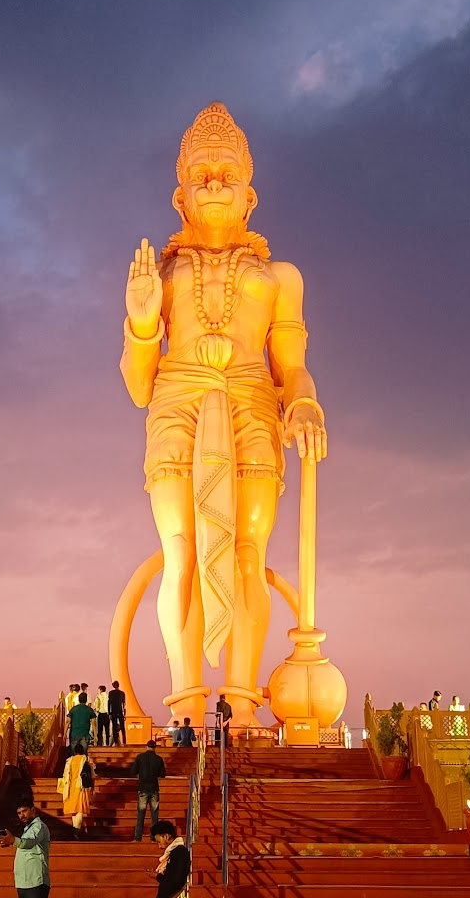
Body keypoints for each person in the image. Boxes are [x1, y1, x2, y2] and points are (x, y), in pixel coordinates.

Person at [120, 103, 327, 730]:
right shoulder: (159, 270)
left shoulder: (280, 277)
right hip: (177, 403)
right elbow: (137, 386)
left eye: (226, 173)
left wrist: (306, 400)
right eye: (202, 173)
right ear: (179, 192)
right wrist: (142, 322)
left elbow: (290, 366)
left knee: (246, 551)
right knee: (180, 550)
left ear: (250, 193)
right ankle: (186, 701)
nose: (213, 183)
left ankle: (239, 702)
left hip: (252, 406)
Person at [132, 737, 166, 841]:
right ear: (155, 748)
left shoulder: (140, 757)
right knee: (154, 815)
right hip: (154, 788)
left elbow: (133, 771)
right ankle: (153, 837)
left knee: (141, 813)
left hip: (143, 788)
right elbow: (162, 774)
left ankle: (138, 837)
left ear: (146, 747)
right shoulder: (158, 759)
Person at [58, 741, 93, 835]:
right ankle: (76, 830)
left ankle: (75, 828)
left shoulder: (70, 760)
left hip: (70, 787)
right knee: (80, 809)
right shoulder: (86, 759)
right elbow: (92, 772)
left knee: (74, 810)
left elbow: (65, 774)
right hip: (81, 787)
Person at [108, 680, 127, 745]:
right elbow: (124, 704)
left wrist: (109, 713)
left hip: (113, 712)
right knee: (122, 727)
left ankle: (116, 742)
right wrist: (125, 713)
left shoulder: (111, 693)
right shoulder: (122, 693)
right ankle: (124, 741)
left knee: (114, 727)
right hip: (120, 711)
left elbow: (109, 704)